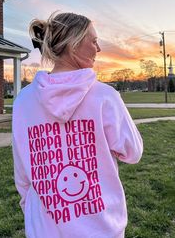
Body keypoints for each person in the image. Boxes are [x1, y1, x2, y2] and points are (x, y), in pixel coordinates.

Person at [12, 12, 143, 238]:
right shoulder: (104, 96)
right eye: (93, 41)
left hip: (43, 228)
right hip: (101, 227)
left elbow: (22, 172)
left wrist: (34, 214)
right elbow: (133, 152)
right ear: (73, 45)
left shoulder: (23, 100)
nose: (98, 48)